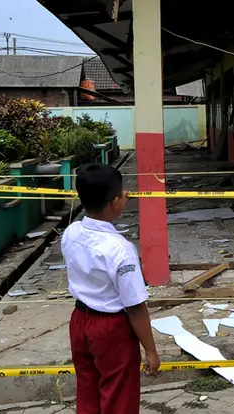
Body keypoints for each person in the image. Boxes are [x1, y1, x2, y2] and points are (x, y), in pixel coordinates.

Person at [62, 163, 160, 414]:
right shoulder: (120, 249)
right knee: (119, 398)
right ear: (116, 202)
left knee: (88, 390)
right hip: (111, 329)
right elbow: (135, 306)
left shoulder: (71, 232)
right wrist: (151, 350)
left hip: (80, 321)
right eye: (123, 193)